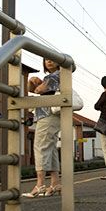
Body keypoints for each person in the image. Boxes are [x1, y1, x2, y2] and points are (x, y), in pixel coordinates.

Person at [23, 58, 62, 198]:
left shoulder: (56, 75)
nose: (49, 61)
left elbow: (38, 90)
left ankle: (40, 184)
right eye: (46, 60)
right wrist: (34, 82)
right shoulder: (55, 76)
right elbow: (32, 89)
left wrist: (38, 83)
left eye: (52, 59)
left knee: (40, 147)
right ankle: (55, 183)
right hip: (52, 116)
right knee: (50, 149)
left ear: (58, 62)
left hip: (47, 115)